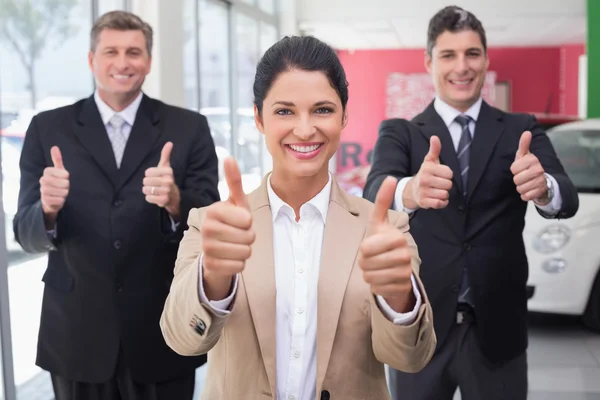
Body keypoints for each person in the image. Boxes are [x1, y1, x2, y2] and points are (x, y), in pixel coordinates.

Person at [160, 35, 436, 400]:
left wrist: (399, 296)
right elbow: (182, 340)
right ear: (258, 117)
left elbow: (410, 359)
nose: (305, 130)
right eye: (284, 111)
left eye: (322, 109)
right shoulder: (212, 224)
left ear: (344, 115)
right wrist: (213, 277)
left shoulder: (386, 228)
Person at [363, 5, 579, 400]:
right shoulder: (402, 133)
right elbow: (374, 189)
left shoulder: (521, 129)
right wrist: (410, 191)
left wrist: (544, 187)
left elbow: (567, 196)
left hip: (498, 329)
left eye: (472, 54)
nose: (461, 66)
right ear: (429, 62)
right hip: (421, 327)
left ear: (486, 60)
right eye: (448, 55)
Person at [13, 10, 220, 400]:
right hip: (76, 334)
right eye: (111, 51)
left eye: (133, 52)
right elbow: (25, 232)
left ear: (149, 61)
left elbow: (210, 219)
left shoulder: (188, 127)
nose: (122, 63)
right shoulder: (47, 128)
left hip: (161, 330)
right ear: (92, 60)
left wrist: (176, 202)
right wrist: (48, 210)